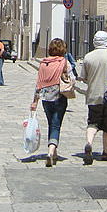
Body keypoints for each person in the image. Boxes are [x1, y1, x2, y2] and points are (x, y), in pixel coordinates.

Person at [81, 30, 107, 164]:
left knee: (92, 122)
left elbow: (83, 78)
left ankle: (89, 143)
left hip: (93, 96)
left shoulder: (88, 57)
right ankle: (105, 152)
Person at [30, 38, 71, 167]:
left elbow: (39, 83)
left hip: (46, 98)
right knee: (56, 124)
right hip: (59, 97)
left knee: (51, 123)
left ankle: (54, 152)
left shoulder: (43, 63)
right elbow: (71, 77)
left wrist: (35, 101)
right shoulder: (64, 62)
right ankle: (51, 151)